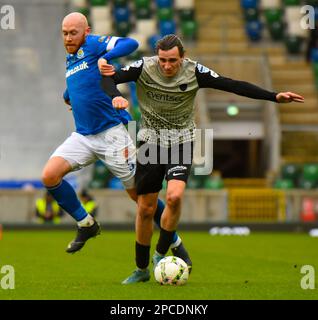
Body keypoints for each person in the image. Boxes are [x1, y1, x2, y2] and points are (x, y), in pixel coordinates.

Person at [100, 34, 305, 283]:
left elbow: (233, 84)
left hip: (181, 141)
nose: (167, 66)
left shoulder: (194, 71)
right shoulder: (144, 67)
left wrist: (273, 96)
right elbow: (109, 77)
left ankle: (160, 254)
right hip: (149, 142)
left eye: (172, 60)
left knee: (174, 197)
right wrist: (115, 96)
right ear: (157, 56)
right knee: (145, 209)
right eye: (163, 60)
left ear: (182, 57)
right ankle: (141, 270)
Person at [41, 13, 190, 265]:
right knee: (49, 176)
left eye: (73, 33)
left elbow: (129, 44)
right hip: (84, 136)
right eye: (64, 33)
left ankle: (174, 241)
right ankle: (86, 223)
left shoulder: (95, 44)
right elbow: (82, 79)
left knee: (143, 201)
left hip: (112, 135)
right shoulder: (71, 57)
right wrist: (69, 94)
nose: (68, 38)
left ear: (85, 31)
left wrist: (105, 57)